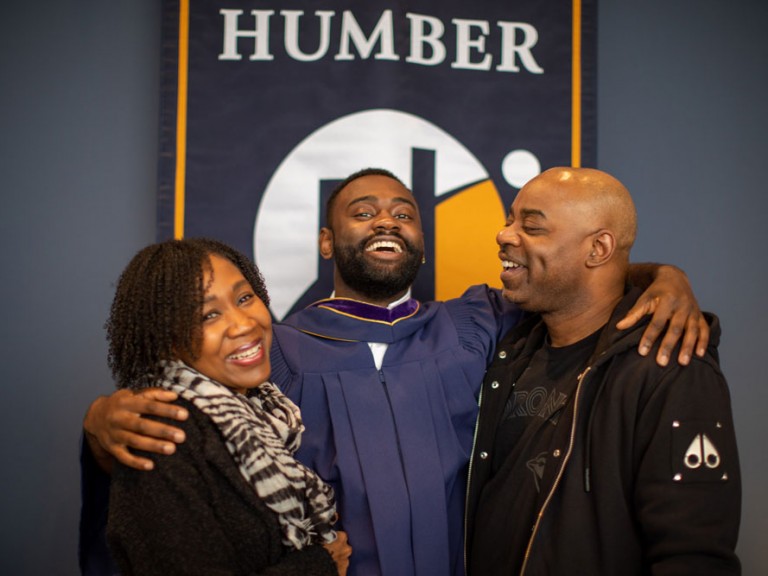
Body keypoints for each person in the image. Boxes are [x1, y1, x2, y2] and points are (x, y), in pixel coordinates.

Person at [81, 169, 710, 576]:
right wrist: (99, 423)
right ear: (327, 242)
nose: (387, 219)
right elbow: (183, 446)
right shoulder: (273, 354)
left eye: (405, 212)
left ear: (421, 239)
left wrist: (661, 278)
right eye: (363, 211)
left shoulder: (481, 322)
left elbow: (576, 280)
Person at [464, 167, 741, 575]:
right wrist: (665, 274)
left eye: (532, 226)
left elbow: (693, 556)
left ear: (598, 249)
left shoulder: (670, 368)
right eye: (510, 220)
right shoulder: (507, 351)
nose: (504, 235)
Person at [100, 238, 351, 576]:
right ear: (167, 338)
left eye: (245, 298)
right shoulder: (162, 433)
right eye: (209, 314)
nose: (245, 323)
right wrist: (318, 565)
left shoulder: (261, 415)